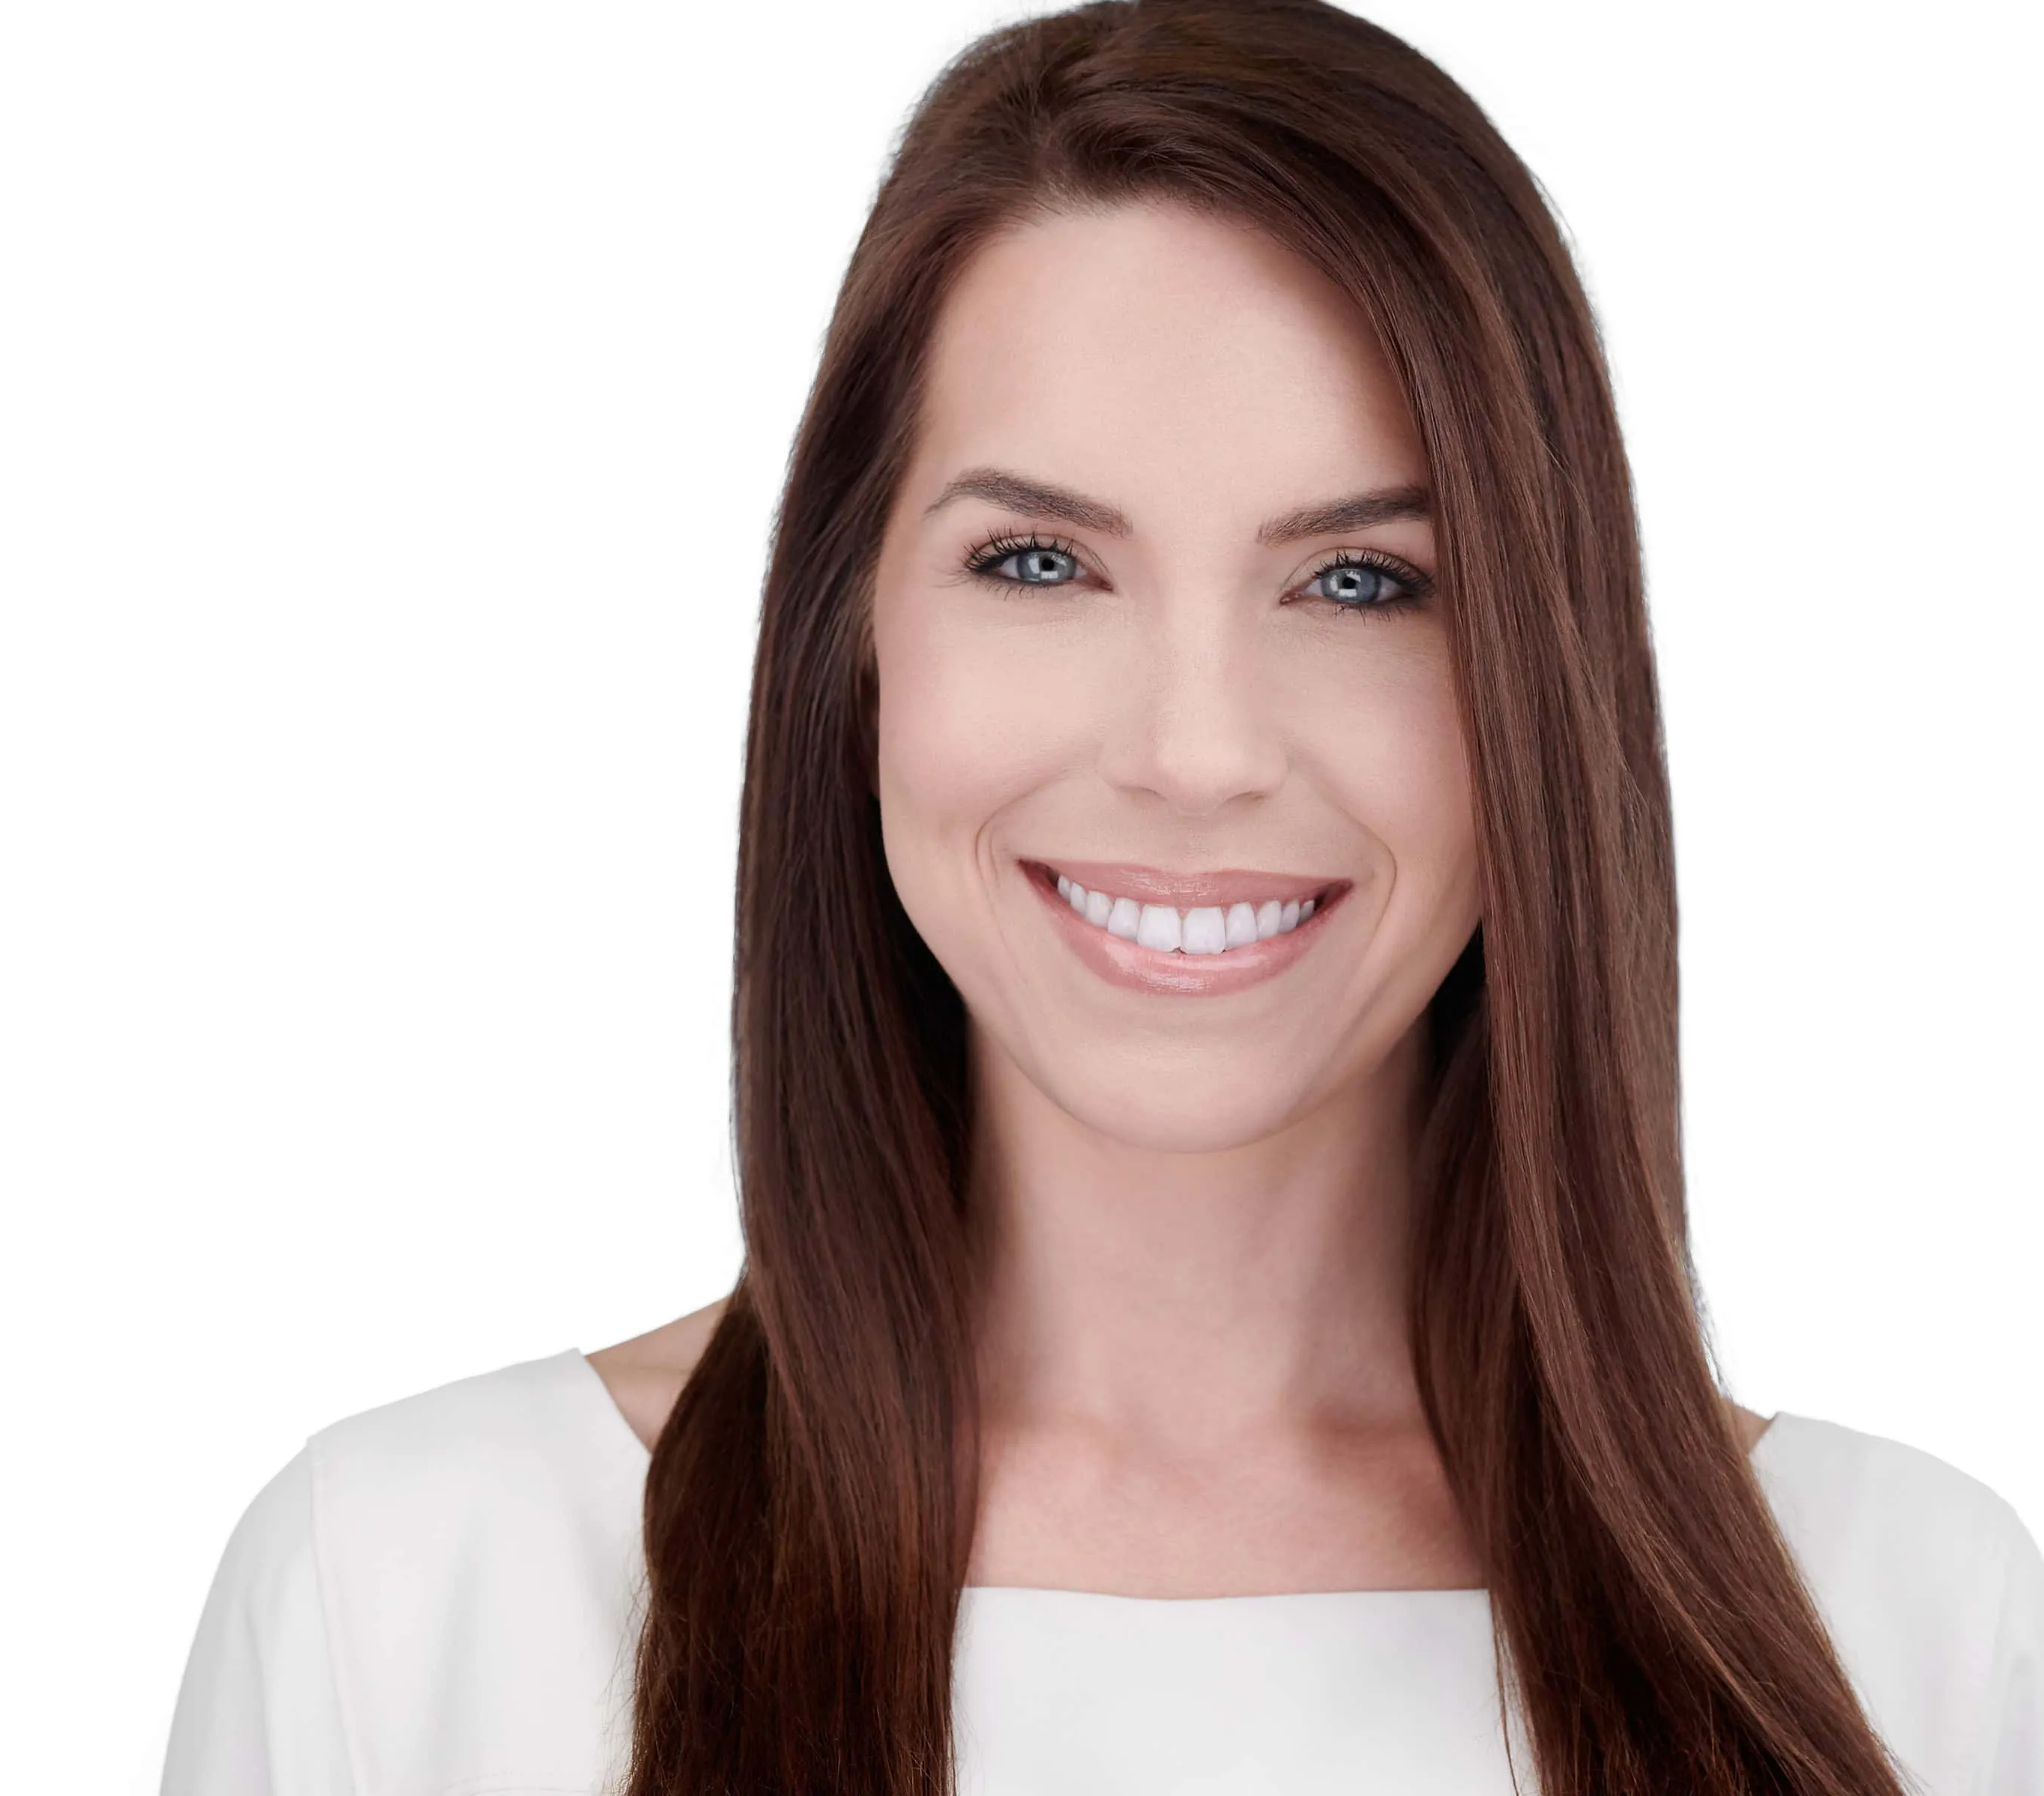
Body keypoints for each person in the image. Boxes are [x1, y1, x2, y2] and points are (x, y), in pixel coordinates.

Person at [159, 2, 2043, 1792]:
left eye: (1363, 582)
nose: (1197, 750)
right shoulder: (412, 1602)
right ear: (854, 646)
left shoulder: (1903, 1635)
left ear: (1544, 685)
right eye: (1044, 561)